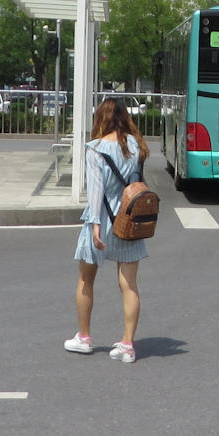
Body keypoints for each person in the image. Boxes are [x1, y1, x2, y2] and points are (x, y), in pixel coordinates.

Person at [65, 98, 148, 363]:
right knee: (129, 284)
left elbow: (96, 192)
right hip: (128, 219)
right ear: (125, 117)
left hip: (101, 218)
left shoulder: (96, 148)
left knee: (86, 280)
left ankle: (84, 337)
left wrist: (95, 225)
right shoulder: (137, 147)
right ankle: (127, 344)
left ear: (100, 117)